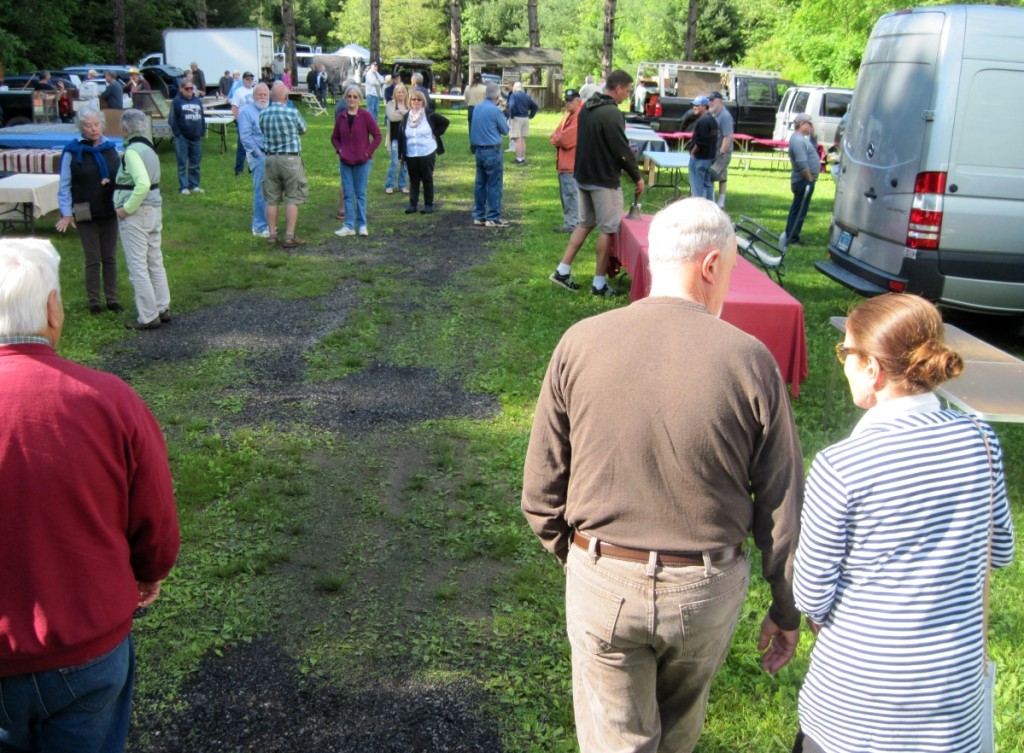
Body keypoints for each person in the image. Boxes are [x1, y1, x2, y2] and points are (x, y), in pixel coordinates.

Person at [523, 197, 804, 753]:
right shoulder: (751, 360)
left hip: (603, 574)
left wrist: (583, 560)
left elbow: (540, 491)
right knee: (678, 732)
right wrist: (785, 606)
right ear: (709, 266)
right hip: (704, 586)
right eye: (730, 269)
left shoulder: (579, 342)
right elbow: (781, 503)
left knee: (614, 741)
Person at [792, 293, 1016, 753]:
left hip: (855, 709)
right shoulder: (980, 439)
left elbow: (811, 594)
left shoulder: (841, 466)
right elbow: (1002, 552)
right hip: (951, 704)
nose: (843, 364)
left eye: (845, 353)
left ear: (872, 368)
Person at [0, 238, 180, 753]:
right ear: (53, 310)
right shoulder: (108, 400)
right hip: (86, 644)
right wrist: (149, 573)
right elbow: (156, 519)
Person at [547, 70, 644, 296]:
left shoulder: (588, 108)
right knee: (608, 229)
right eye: (627, 91)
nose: (627, 96)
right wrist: (637, 177)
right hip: (603, 180)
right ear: (618, 88)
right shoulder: (611, 113)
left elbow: (598, 142)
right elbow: (621, 151)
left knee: (585, 223)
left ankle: (562, 270)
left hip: (583, 175)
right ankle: (599, 284)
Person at [55, 106, 123, 314]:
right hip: (85, 211)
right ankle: (94, 301)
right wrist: (67, 213)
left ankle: (112, 298)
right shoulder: (72, 152)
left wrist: (111, 183)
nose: (93, 129)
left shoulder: (111, 148)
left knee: (110, 257)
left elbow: (121, 178)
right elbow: (64, 185)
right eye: (88, 125)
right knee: (92, 258)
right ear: (80, 127)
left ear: (101, 125)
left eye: (96, 125)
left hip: (109, 211)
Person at [114, 109, 172, 330]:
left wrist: (126, 209)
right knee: (154, 259)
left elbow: (142, 183)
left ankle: (148, 315)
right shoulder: (150, 148)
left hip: (138, 211)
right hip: (154, 208)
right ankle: (162, 306)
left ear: (126, 129)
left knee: (138, 265)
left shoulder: (132, 152)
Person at [260, 81, 308, 248]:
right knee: (292, 196)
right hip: (290, 158)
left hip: (270, 159)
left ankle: (272, 234)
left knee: (272, 198)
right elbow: (303, 129)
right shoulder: (292, 113)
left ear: (272, 97)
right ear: (286, 97)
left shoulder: (263, 114)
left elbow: (262, 130)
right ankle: (289, 235)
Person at [332, 85, 382, 237]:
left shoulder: (366, 116)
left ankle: (362, 224)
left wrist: (368, 152)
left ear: (360, 99)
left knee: (360, 193)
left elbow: (377, 136)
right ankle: (348, 225)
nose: (352, 99)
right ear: (346, 98)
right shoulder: (341, 117)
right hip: (346, 160)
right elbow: (334, 137)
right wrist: (340, 150)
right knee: (348, 193)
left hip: (362, 161)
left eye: (355, 97)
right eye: (349, 96)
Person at [397, 88, 448, 216]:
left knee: (427, 178)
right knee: (414, 179)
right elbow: (401, 136)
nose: (416, 102)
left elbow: (445, 122)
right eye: (413, 99)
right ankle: (412, 204)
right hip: (411, 153)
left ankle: (428, 205)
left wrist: (435, 133)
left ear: (423, 101)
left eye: (419, 99)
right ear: (410, 101)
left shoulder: (429, 115)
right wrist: (400, 155)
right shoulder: (406, 117)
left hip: (427, 152)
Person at [469, 83, 510, 228]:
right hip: (492, 151)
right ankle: (493, 217)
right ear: (498, 96)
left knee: (480, 183)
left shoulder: (477, 108)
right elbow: (505, 130)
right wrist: (503, 112)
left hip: (479, 150)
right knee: (494, 184)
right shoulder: (495, 110)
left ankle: (478, 215)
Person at [782, 113, 819, 249]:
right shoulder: (797, 140)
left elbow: (814, 151)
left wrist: (813, 135)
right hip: (803, 181)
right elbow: (802, 162)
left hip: (805, 180)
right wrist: (809, 179)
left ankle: (792, 234)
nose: (811, 127)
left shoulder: (802, 139)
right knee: (798, 210)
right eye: (810, 124)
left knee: (800, 208)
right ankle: (792, 237)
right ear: (802, 124)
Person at [238, 82, 271, 237]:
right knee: (261, 191)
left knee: (272, 191)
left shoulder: (270, 110)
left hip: (273, 154)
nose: (263, 97)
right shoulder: (246, 112)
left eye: (265, 95)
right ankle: (259, 226)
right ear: (254, 96)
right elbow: (245, 137)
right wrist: (259, 154)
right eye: (260, 94)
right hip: (258, 156)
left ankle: (270, 223)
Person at [549, 89, 582, 233]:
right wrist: (557, 138)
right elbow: (555, 135)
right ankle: (572, 223)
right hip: (565, 162)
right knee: (567, 194)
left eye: (570, 100)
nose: (567, 103)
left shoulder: (579, 116)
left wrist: (558, 138)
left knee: (570, 194)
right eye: (566, 100)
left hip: (571, 163)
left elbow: (565, 139)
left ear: (578, 100)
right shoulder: (569, 115)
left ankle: (572, 224)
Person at [169, 77, 206, 195]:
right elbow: (172, 119)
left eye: (192, 88)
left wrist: (202, 131)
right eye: (187, 88)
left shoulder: (197, 101)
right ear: (181, 89)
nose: (190, 90)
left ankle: (194, 184)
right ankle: (183, 186)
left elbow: (202, 117)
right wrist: (178, 134)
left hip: (196, 137)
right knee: (182, 163)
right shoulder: (177, 101)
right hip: (182, 138)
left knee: (195, 163)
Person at [688, 95, 717, 201]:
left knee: (697, 190)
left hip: (699, 158)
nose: (694, 107)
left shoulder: (703, 121)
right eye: (694, 105)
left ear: (704, 106)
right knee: (708, 186)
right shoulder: (712, 120)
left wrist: (693, 152)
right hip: (709, 159)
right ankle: (711, 208)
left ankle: (698, 211)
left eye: (697, 105)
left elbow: (701, 141)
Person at [708, 91, 734, 208]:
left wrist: (721, 153)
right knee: (714, 175)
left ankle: (721, 201)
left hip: (723, 151)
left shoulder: (725, 115)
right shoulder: (713, 114)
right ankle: (713, 200)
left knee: (718, 174)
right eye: (709, 100)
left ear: (720, 101)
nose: (710, 102)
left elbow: (728, 136)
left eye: (712, 100)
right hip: (714, 151)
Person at [384, 83, 410, 195]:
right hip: (395, 137)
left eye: (403, 92)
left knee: (405, 163)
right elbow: (392, 117)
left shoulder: (409, 104)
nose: (401, 94)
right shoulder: (390, 104)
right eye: (399, 92)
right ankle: (389, 185)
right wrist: (405, 114)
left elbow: (413, 117)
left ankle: (402, 185)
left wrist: (402, 112)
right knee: (395, 162)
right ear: (395, 93)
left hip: (407, 138)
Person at [506, 81, 539, 165]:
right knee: (523, 140)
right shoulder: (526, 96)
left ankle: (518, 159)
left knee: (517, 140)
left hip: (516, 118)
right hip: (525, 118)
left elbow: (512, 106)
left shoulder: (513, 95)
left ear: (514, 88)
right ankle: (523, 158)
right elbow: (535, 106)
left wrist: (511, 115)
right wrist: (530, 115)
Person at [231, 72, 256, 177]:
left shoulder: (256, 90)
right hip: (243, 122)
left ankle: (252, 168)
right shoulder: (238, 92)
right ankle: (239, 169)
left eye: (251, 79)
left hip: (254, 122)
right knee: (242, 146)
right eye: (247, 79)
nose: (250, 81)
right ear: (243, 80)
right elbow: (234, 107)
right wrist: (238, 121)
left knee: (254, 145)